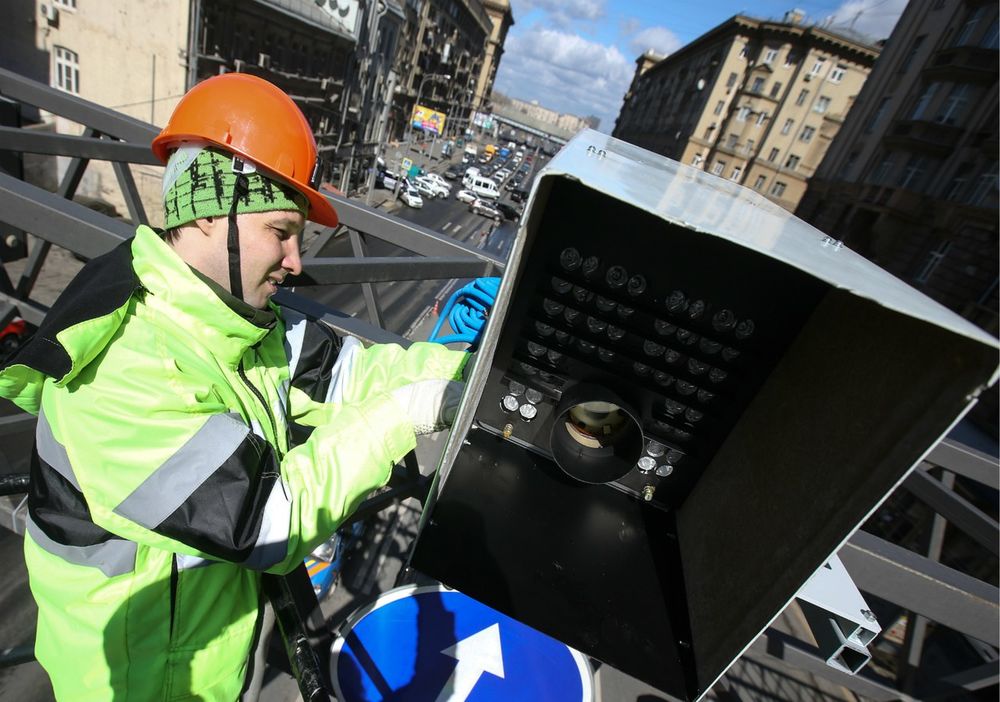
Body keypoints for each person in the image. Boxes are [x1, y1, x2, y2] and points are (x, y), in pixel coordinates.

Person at [0, 73, 468, 700]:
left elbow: (351, 373)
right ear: (211, 214)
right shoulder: (118, 370)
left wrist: (470, 373)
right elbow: (269, 521)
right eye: (281, 231)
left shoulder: (232, 323)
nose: (298, 261)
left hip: (203, 668)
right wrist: (405, 415)